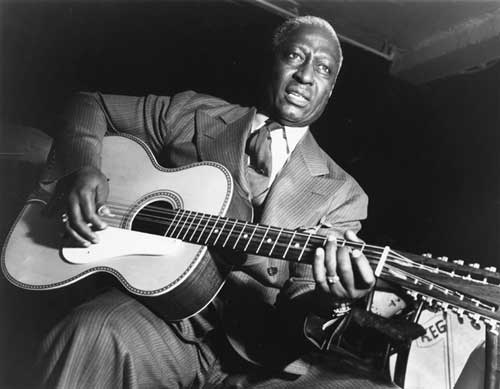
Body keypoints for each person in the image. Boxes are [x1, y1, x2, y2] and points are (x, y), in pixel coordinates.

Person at [36, 15, 398, 388]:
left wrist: (330, 301)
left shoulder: (343, 192)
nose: (306, 75)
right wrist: (80, 170)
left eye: (323, 68)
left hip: (263, 357)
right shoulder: (192, 113)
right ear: (272, 60)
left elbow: (303, 302)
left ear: (330, 89)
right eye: (294, 56)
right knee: (91, 332)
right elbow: (89, 105)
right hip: (161, 320)